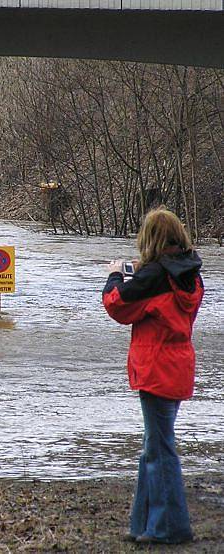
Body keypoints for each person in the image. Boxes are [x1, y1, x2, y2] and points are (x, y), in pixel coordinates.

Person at [102, 207, 204, 545]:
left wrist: (116, 274)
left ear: (151, 239)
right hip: (178, 365)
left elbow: (116, 304)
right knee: (153, 446)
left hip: (155, 369)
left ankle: (168, 528)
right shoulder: (192, 272)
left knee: (160, 449)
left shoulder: (154, 276)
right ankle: (144, 523)